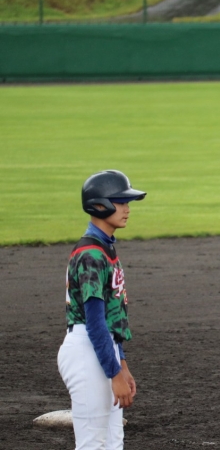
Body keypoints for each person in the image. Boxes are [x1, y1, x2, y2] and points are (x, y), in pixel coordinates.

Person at [58, 170, 146, 450]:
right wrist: (114, 373)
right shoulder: (92, 254)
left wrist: (122, 364)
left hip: (102, 348)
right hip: (87, 349)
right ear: (99, 205)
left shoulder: (104, 248)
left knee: (112, 443)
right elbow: (95, 321)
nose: (127, 208)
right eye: (120, 202)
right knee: (93, 445)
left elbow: (110, 319)